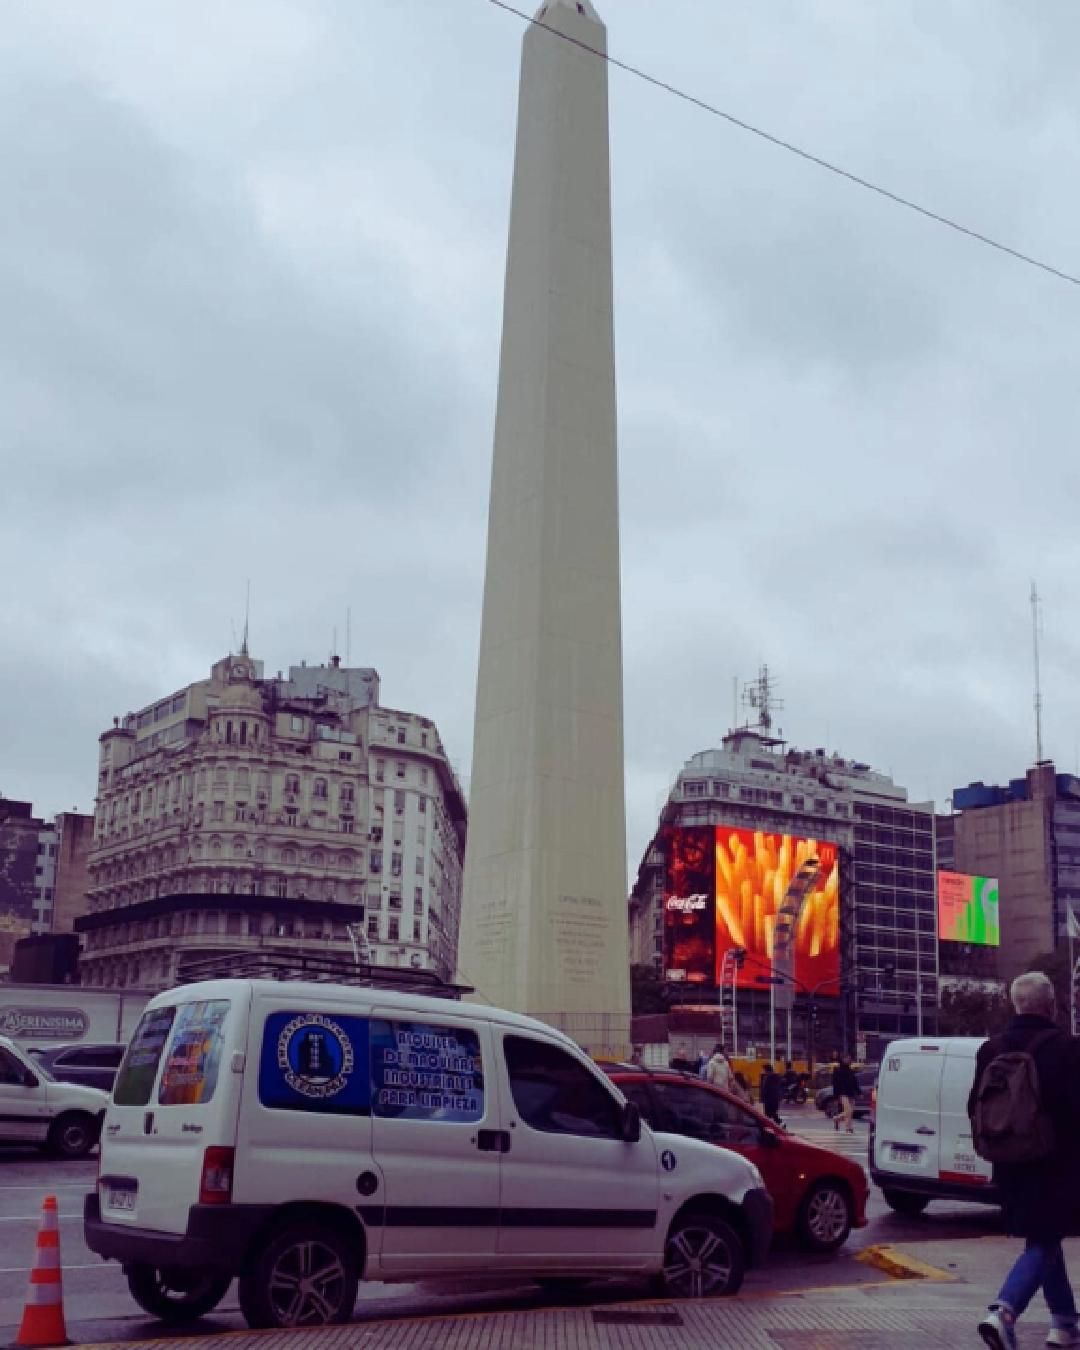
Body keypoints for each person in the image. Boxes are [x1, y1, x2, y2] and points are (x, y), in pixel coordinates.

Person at [968, 971, 1080, 1350]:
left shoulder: (991, 1049)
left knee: (1043, 1236)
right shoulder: (1068, 1048)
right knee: (1045, 1239)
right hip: (1057, 1164)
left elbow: (974, 1107)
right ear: (1051, 1006)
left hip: (1009, 1163)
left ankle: (1064, 1323)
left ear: (1015, 1004)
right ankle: (1003, 1312)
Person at [831, 1055, 859, 1134]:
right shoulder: (837, 1070)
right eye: (846, 1059)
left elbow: (855, 1082)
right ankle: (848, 1128)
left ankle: (836, 1119)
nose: (848, 1060)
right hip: (843, 1093)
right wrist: (836, 1096)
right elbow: (835, 1084)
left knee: (850, 1111)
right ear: (842, 1060)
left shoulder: (850, 1071)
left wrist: (859, 1092)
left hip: (851, 1093)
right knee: (848, 1110)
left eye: (849, 1059)